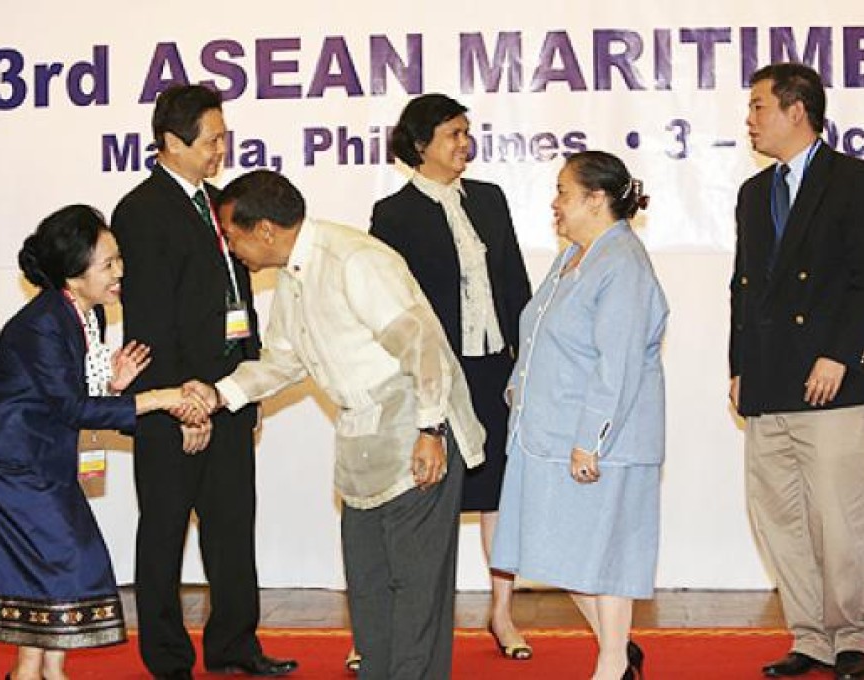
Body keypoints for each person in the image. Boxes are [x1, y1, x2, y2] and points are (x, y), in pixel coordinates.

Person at [185, 169, 485, 680]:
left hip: (417, 426)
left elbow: (422, 345)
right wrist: (217, 394)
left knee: (415, 588)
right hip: (364, 441)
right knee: (367, 581)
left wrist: (431, 430)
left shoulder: (354, 260)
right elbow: (281, 361)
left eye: (231, 235)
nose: (231, 248)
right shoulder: (294, 276)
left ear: (264, 230)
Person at [0, 205, 196, 680]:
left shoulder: (87, 315)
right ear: (73, 274)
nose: (120, 272)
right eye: (108, 265)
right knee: (65, 556)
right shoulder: (43, 321)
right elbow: (71, 409)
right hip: (0, 460)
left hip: (41, 455)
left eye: (119, 259)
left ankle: (37, 669)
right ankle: (32, 671)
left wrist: (118, 387)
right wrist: (161, 398)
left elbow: (77, 397)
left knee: (54, 559)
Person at [111, 84, 296, 679]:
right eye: (212, 138)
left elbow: (241, 298)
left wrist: (252, 378)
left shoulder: (222, 204)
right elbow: (151, 321)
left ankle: (235, 645)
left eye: (224, 136)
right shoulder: (139, 211)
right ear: (172, 141)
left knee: (232, 529)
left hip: (230, 395)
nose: (222, 148)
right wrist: (185, 404)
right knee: (163, 534)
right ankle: (167, 658)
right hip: (172, 403)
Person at [370, 93, 533, 665]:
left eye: (468, 132)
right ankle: (391, 625)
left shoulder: (490, 199)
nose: (465, 144)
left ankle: (502, 612)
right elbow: (388, 304)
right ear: (420, 146)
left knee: (497, 496)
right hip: (436, 374)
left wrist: (526, 359)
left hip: (493, 368)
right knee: (423, 498)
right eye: (452, 135)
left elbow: (515, 283)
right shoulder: (393, 215)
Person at [492, 151, 667, 680]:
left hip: (596, 441)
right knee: (556, 556)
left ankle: (612, 664)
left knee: (603, 557)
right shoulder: (575, 253)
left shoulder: (623, 263)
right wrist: (518, 388)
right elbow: (543, 332)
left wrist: (591, 440)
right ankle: (622, 652)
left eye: (564, 192)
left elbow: (616, 365)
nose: (555, 203)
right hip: (545, 432)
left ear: (596, 200)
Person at [730, 63, 864, 680]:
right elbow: (743, 287)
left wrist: (841, 351)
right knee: (780, 518)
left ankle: (854, 636)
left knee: (840, 519)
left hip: (832, 379)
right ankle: (810, 637)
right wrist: (739, 365)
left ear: (797, 110)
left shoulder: (852, 181)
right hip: (769, 380)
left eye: (759, 107)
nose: (751, 119)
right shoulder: (754, 193)